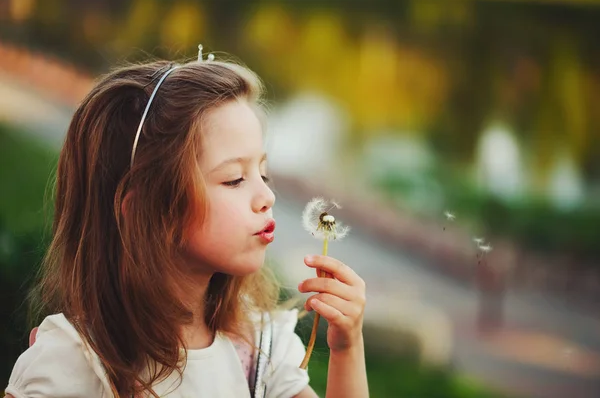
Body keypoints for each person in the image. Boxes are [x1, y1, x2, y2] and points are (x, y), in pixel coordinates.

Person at [4, 47, 368, 398]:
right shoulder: (76, 364)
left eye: (263, 174)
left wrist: (347, 348)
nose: (267, 197)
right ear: (148, 210)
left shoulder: (259, 351)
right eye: (234, 179)